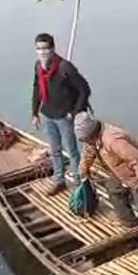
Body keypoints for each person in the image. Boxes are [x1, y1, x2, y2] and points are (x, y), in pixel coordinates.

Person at [31, 33, 92, 196]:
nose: (42, 52)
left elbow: (84, 90)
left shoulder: (65, 67)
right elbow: (36, 89)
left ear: (52, 49)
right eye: (38, 49)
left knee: (72, 151)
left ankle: (79, 184)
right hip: (47, 115)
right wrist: (34, 113)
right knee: (54, 150)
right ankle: (59, 181)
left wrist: (75, 112)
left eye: (45, 48)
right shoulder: (38, 66)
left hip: (64, 117)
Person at [74, 114, 138, 228]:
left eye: (85, 139)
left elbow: (136, 160)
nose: (84, 142)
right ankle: (129, 223)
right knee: (114, 191)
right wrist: (83, 172)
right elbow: (87, 155)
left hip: (134, 174)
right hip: (116, 172)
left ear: (91, 134)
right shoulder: (90, 141)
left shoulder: (113, 140)